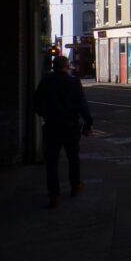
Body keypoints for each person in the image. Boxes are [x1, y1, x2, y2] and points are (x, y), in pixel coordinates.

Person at [33, 55, 93, 209]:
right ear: (66, 66)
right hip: (70, 126)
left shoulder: (46, 82)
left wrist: (46, 115)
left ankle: (54, 195)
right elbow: (82, 105)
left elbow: (36, 104)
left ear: (54, 67)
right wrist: (88, 122)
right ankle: (75, 186)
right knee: (73, 158)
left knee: (51, 162)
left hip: (52, 126)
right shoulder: (73, 82)